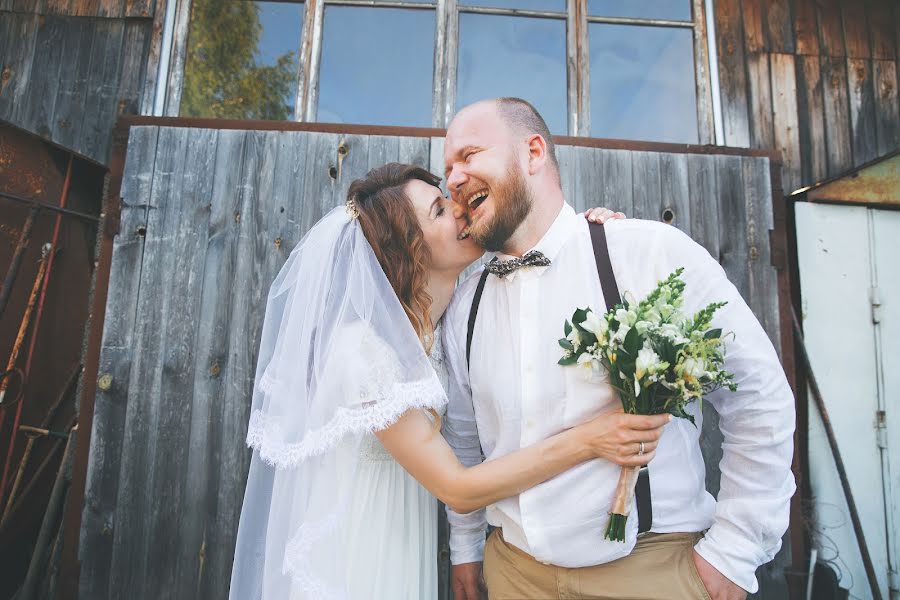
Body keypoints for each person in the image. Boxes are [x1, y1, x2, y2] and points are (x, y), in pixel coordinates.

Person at [228, 161, 658, 600]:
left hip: (400, 540)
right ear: (406, 250)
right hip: (357, 557)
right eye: (438, 210)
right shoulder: (363, 353)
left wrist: (584, 241)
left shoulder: (444, 325)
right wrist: (590, 440)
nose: (458, 210)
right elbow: (458, 488)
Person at [442, 98, 796, 600]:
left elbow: (758, 395)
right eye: (447, 169)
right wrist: (467, 549)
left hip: (650, 570)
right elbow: (464, 439)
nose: (453, 178)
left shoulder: (647, 254)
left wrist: (734, 554)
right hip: (512, 572)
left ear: (533, 152)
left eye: (469, 155)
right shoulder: (465, 305)